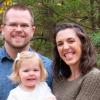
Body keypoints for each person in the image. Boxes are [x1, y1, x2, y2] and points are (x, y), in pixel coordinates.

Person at [0, 4, 53, 100]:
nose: (19, 29)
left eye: (24, 25)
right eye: (13, 24)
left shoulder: (49, 67)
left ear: (33, 30)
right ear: (2, 29)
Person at [52, 22, 100, 100]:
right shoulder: (58, 81)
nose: (65, 47)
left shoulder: (94, 77)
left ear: (83, 44)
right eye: (60, 44)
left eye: (71, 41)